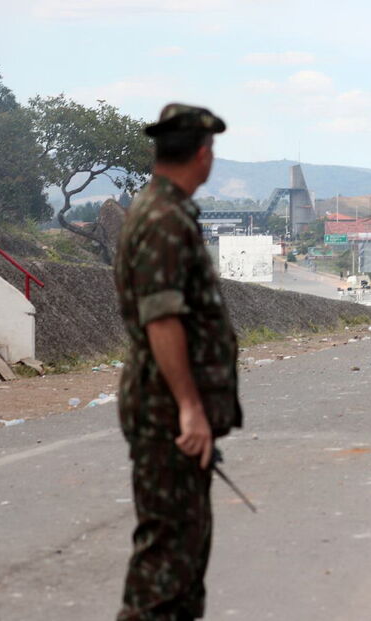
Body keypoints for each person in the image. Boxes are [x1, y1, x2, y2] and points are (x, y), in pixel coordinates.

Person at [114, 103, 242, 620]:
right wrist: (190, 408)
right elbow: (161, 319)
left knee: (184, 560)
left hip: (169, 408)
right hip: (167, 412)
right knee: (166, 565)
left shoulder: (162, 210)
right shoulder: (164, 219)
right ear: (204, 153)